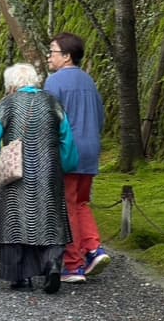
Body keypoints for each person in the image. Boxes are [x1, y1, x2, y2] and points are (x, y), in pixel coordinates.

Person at [0, 63, 77, 295]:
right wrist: (68, 164)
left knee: (14, 221)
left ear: (11, 84)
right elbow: (66, 139)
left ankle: (20, 276)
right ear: (34, 81)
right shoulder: (52, 103)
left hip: (16, 173)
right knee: (50, 218)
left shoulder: (7, 104)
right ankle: (51, 265)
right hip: (49, 169)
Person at [42, 33, 113, 284]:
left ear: (66, 56)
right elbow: (101, 117)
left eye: (52, 51)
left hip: (66, 151)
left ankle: (73, 264)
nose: (49, 56)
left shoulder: (54, 83)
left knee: (66, 205)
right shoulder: (89, 81)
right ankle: (94, 249)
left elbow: (48, 121)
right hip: (91, 148)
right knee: (81, 202)